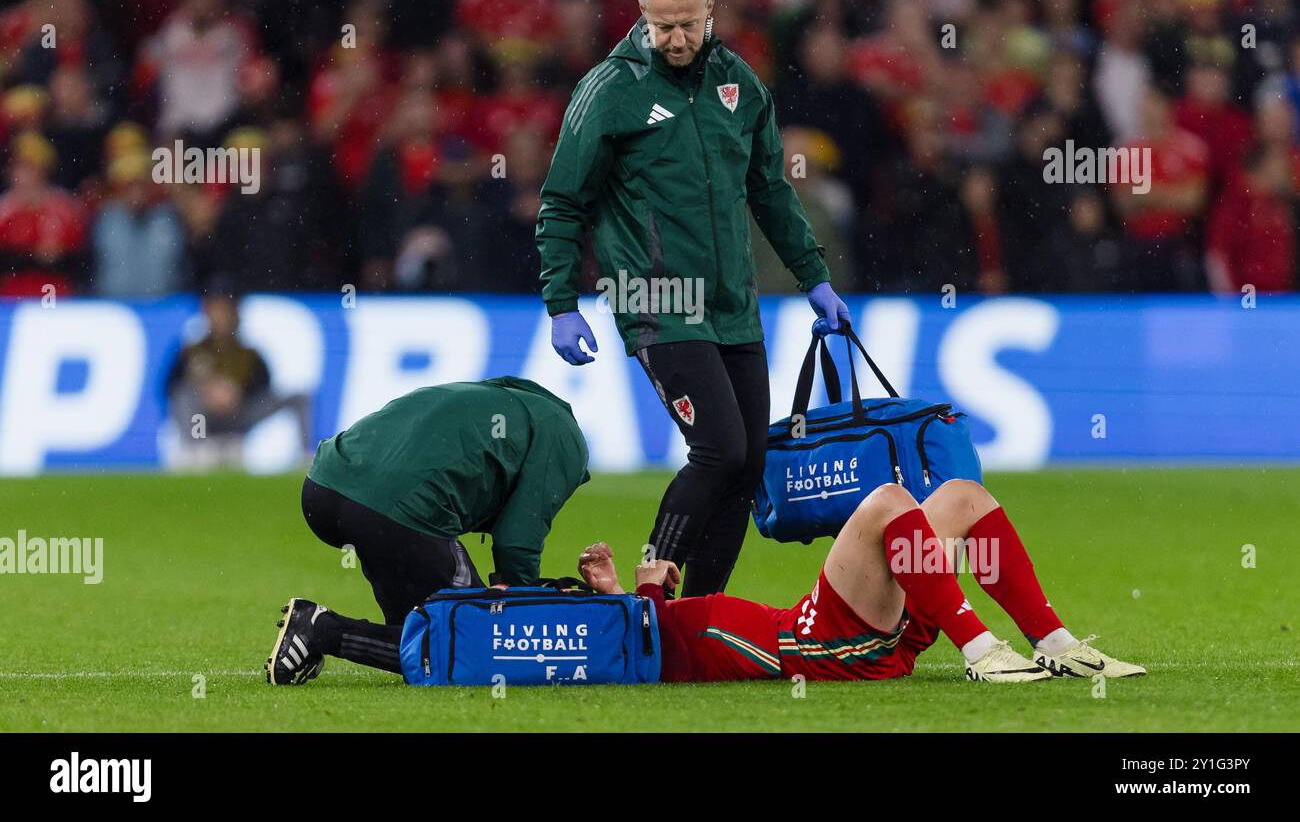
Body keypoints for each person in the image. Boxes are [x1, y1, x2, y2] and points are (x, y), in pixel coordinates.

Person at [535, 0, 850, 598]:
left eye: (688, 24)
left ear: (712, 11)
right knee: (719, 452)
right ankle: (650, 595)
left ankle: (702, 614)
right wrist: (560, 302)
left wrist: (812, 275)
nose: (675, 38)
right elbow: (564, 200)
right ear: (642, 14)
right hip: (655, 300)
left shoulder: (740, 86)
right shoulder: (612, 90)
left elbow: (770, 190)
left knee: (749, 463)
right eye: (662, 25)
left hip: (733, 303)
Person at [266, 479, 1143, 685]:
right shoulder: (637, 648)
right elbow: (627, 657)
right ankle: (978, 645)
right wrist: (630, 600)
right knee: (886, 502)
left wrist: (634, 591)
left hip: (815, 625)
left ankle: (1053, 638)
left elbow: (632, 639)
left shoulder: (643, 625)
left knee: (958, 495)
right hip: (820, 642)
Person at [299, 376, 591, 636]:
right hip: (391, 509)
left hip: (322, 487)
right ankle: (319, 630)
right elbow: (517, 540)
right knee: (473, 639)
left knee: (419, 635)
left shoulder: (500, 396)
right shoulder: (566, 442)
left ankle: (333, 635)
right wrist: (519, 616)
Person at [164, 287, 314, 467]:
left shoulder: (249, 354)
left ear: (235, 312)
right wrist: (207, 391)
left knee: (300, 398)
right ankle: (194, 450)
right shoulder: (192, 350)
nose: (221, 317)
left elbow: (265, 388)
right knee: (183, 395)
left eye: (225, 310)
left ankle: (305, 455)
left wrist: (237, 394)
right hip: (204, 420)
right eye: (215, 310)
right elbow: (168, 387)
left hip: (239, 416)